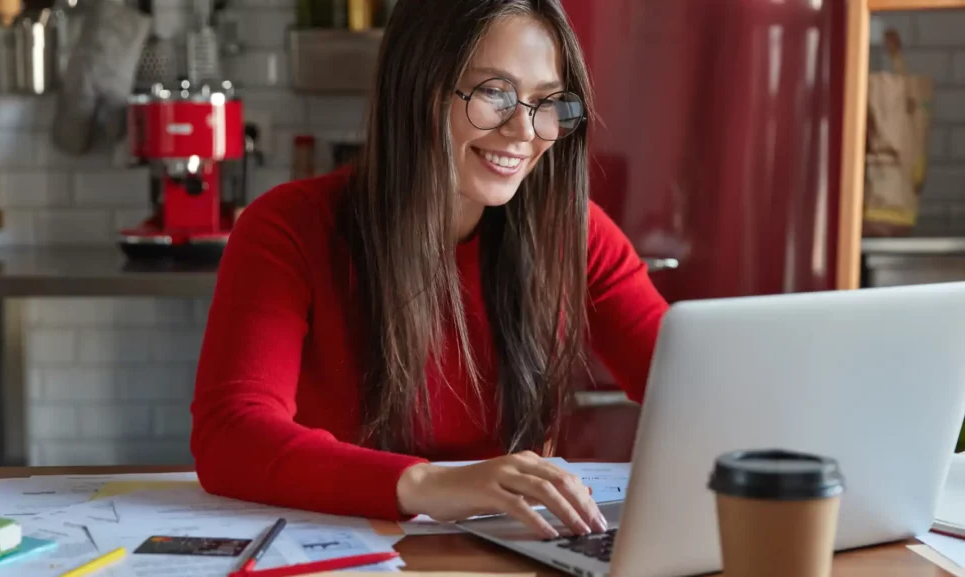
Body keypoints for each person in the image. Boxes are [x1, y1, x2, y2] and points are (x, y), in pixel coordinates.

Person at [190, 0, 668, 540]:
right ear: (417, 87)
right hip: (340, 546)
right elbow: (231, 436)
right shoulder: (288, 228)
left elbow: (686, 386)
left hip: (507, 548)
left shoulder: (573, 232)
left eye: (545, 102)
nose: (524, 131)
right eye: (494, 92)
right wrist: (428, 486)